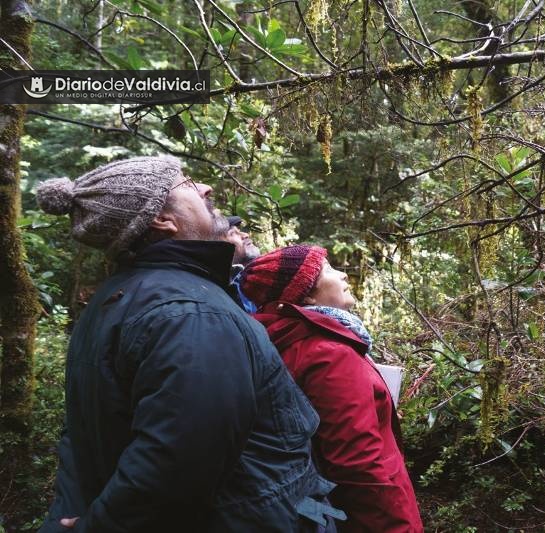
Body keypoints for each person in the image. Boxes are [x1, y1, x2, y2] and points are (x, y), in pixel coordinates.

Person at [35, 156, 343, 533]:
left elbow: (87, 443)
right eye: (187, 184)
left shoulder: (122, 298)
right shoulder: (191, 314)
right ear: (162, 219)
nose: (205, 188)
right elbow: (179, 463)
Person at [235, 245, 424, 533]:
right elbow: (358, 463)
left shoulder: (278, 339)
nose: (344, 274)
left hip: (315, 510)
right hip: (364, 516)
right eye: (329, 270)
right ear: (307, 294)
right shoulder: (328, 353)